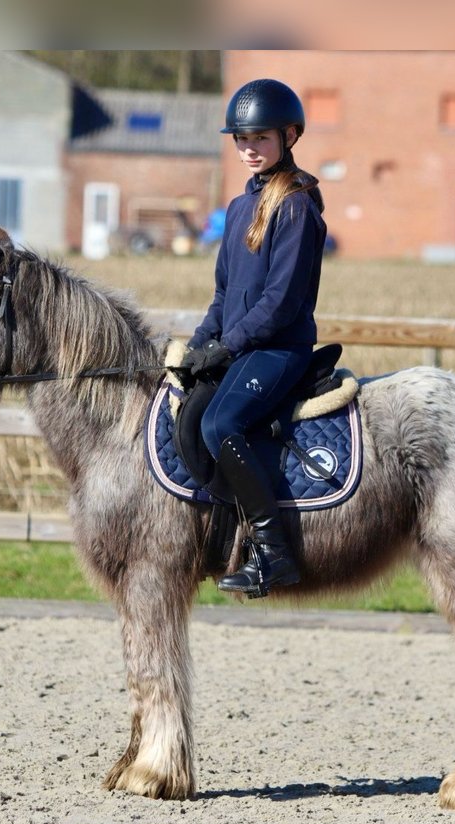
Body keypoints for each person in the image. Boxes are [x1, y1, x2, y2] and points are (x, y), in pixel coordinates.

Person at [183, 78, 328, 596]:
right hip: (244, 345)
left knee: (222, 422)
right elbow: (225, 293)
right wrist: (199, 345)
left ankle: (274, 553)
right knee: (189, 417)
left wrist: (229, 346)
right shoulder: (242, 207)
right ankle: (226, 533)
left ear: (289, 136)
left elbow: (280, 302)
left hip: (278, 349)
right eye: (241, 139)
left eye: (260, 138)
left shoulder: (297, 205)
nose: (249, 148)